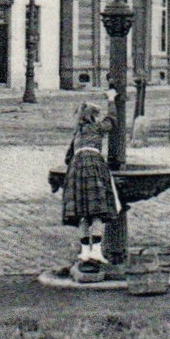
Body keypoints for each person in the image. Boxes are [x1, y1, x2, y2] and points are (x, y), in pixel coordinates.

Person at [62, 92, 121, 264]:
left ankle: (84, 251)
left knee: (83, 214)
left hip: (76, 168)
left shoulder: (78, 132)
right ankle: (96, 250)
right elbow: (112, 121)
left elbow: (68, 157)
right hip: (94, 165)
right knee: (97, 212)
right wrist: (111, 99)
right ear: (93, 116)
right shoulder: (97, 128)